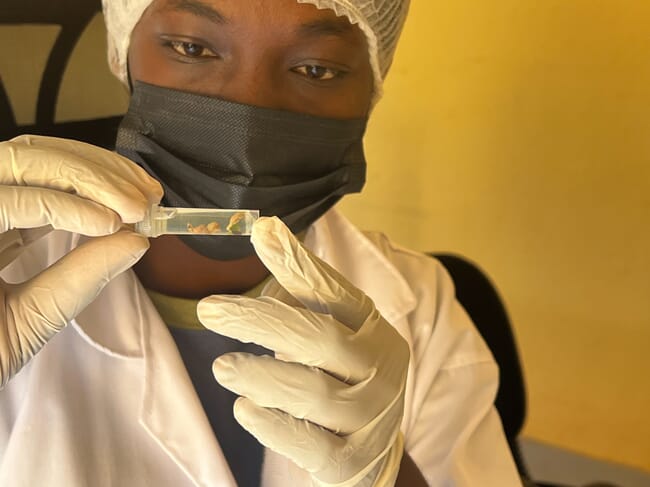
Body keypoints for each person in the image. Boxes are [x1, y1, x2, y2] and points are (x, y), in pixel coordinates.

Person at [0, 0, 522, 485]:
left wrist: (386, 475)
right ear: (124, 55)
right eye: (192, 47)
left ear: (372, 88)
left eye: (316, 68)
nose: (246, 112)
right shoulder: (10, 282)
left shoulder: (422, 305)